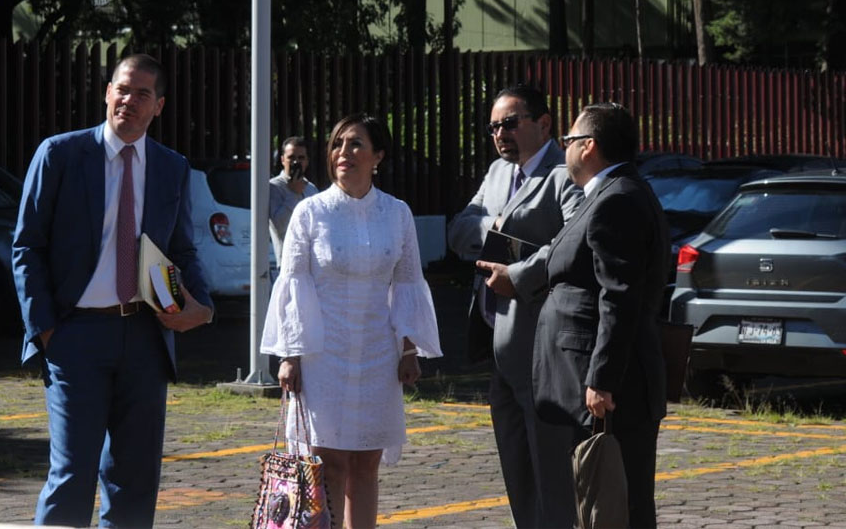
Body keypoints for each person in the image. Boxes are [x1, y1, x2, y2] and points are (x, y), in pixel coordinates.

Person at [12, 53, 214, 527]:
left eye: (143, 93)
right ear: (107, 93)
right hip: (74, 335)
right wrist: (44, 329)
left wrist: (201, 308)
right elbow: (26, 245)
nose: (130, 100)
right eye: (122, 89)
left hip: (145, 337)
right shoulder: (61, 154)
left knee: (136, 479)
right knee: (72, 474)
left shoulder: (171, 166)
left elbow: (182, 249)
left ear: (158, 105)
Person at [261, 113, 442, 528]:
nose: (344, 153)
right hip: (323, 353)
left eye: (356, 144)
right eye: (338, 144)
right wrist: (291, 355)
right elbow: (293, 285)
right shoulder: (310, 212)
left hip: (379, 353)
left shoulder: (397, 214)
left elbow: (408, 282)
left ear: (378, 155)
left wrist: (409, 347)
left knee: (366, 464)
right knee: (328, 466)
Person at [532, 102, 670, 528]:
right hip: (600, 382)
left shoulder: (618, 200)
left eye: (569, 139)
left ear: (588, 146)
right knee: (604, 502)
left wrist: (603, 378)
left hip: (613, 388)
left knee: (618, 505)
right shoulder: (616, 194)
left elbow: (620, 295)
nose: (565, 148)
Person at [452, 84, 584, 528]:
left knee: (551, 472)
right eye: (493, 127)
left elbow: (572, 246)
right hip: (497, 346)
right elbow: (460, 229)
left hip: (542, 346)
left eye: (509, 123)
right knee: (515, 468)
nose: (499, 134)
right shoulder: (494, 174)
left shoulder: (563, 174)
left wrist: (519, 269)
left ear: (544, 123)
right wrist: (494, 227)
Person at [269, 136, 319, 267]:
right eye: (291, 157)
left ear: (307, 161)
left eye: (301, 158)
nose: (296, 162)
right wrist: (293, 194)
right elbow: (279, 226)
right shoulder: (274, 187)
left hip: (313, 264)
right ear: (282, 160)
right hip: (288, 264)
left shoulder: (311, 189)